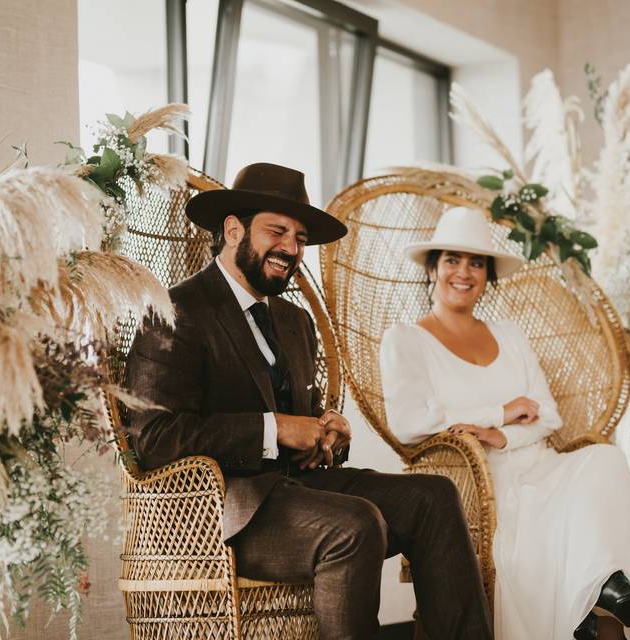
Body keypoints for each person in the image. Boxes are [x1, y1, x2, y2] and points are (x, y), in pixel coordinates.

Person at [125, 163, 493, 640]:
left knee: (433, 495)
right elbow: (153, 438)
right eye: (277, 231)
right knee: (355, 525)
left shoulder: (295, 321)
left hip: (297, 491)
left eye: (299, 237)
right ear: (233, 229)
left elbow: (305, 423)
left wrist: (328, 433)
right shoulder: (175, 310)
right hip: (220, 513)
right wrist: (272, 428)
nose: (292, 249)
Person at [379, 206, 630, 640]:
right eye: (452, 260)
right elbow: (409, 423)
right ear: (433, 268)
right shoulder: (406, 340)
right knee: (543, 526)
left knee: (605, 459)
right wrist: (500, 410)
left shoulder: (510, 336)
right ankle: (590, 600)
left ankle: (606, 589)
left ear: (488, 275)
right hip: (479, 483)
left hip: (541, 462)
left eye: (476, 263)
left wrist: (501, 433)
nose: (464, 272)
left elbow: (547, 415)